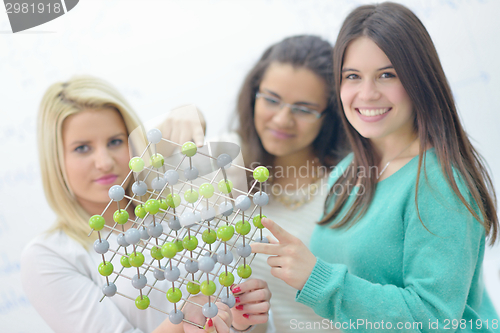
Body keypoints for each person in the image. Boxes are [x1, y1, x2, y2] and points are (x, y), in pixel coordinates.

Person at [252, 2, 500, 332]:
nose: (367, 94)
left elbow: (434, 319)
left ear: (418, 80)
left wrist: (319, 279)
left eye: (387, 75)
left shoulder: (440, 183)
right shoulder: (347, 173)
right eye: (352, 76)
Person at [20, 75, 241, 333]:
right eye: (82, 148)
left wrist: (246, 322)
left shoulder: (174, 208)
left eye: (115, 142)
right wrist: (183, 321)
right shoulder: (49, 255)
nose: (104, 162)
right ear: (55, 159)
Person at [204, 35, 347, 332]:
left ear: (329, 116)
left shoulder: (350, 186)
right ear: (253, 94)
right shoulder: (231, 168)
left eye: (304, 109)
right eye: (271, 99)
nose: (282, 119)